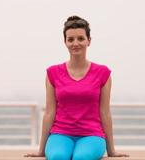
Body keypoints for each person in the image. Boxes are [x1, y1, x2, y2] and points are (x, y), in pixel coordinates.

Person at [24, 16, 129, 160]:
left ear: (89, 41)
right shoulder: (53, 73)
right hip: (60, 134)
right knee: (58, 157)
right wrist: (41, 150)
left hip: (92, 135)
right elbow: (49, 112)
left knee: (81, 158)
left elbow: (105, 112)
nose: (75, 43)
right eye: (71, 39)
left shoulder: (102, 73)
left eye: (81, 38)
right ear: (65, 42)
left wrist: (112, 151)